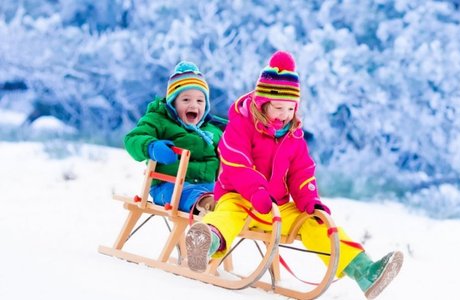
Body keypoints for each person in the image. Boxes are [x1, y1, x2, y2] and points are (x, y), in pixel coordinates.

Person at [185, 51, 403, 299]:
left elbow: (302, 171)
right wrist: (256, 190)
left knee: (315, 223)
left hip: (277, 207)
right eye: (278, 107)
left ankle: (365, 272)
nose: (284, 114)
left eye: (290, 108)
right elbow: (236, 162)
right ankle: (205, 243)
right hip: (239, 198)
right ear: (262, 103)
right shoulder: (241, 126)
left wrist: (309, 199)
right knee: (227, 216)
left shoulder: (293, 136)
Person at [124, 61, 224, 215]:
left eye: (200, 100)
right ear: (173, 102)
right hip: (168, 185)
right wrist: (152, 147)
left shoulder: (212, 129)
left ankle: (235, 213)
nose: (194, 105)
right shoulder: (159, 120)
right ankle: (205, 204)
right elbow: (133, 138)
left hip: (209, 186)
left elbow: (234, 146)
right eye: (186, 100)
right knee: (184, 193)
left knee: (230, 197)